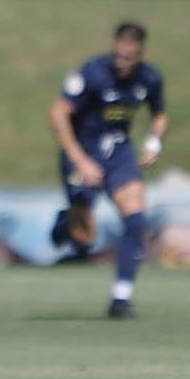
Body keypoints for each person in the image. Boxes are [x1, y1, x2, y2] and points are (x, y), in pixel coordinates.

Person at [48, 21, 167, 319]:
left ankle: (121, 298)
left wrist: (153, 143)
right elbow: (58, 113)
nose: (121, 62)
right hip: (83, 153)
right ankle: (65, 226)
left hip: (119, 154)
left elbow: (159, 114)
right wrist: (80, 160)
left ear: (140, 55)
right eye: (117, 55)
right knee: (85, 237)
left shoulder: (149, 79)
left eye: (128, 57)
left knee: (136, 219)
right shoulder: (92, 73)